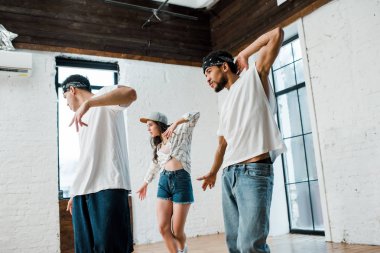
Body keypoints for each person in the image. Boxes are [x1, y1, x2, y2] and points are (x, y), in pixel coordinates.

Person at [197, 27, 287, 253]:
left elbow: (276, 34)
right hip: (229, 174)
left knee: (250, 246)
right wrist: (213, 171)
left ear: (224, 66)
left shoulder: (253, 78)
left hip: (254, 171)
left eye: (208, 71)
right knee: (235, 245)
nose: (207, 79)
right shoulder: (225, 104)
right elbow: (222, 145)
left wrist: (244, 54)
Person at [62, 74, 137, 253]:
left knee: (110, 249)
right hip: (82, 192)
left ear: (72, 90)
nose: (66, 104)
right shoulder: (83, 117)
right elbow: (88, 157)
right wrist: (76, 191)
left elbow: (131, 93)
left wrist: (89, 103)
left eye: (65, 98)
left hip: (108, 186)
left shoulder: (104, 98)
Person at [137, 111, 200, 253]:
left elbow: (195, 115)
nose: (148, 128)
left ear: (159, 125)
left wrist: (176, 123)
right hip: (164, 182)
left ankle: (183, 249)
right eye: (147, 126)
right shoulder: (158, 147)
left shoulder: (180, 133)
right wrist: (145, 183)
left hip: (181, 182)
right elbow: (154, 166)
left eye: (150, 125)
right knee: (162, 227)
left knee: (177, 231)